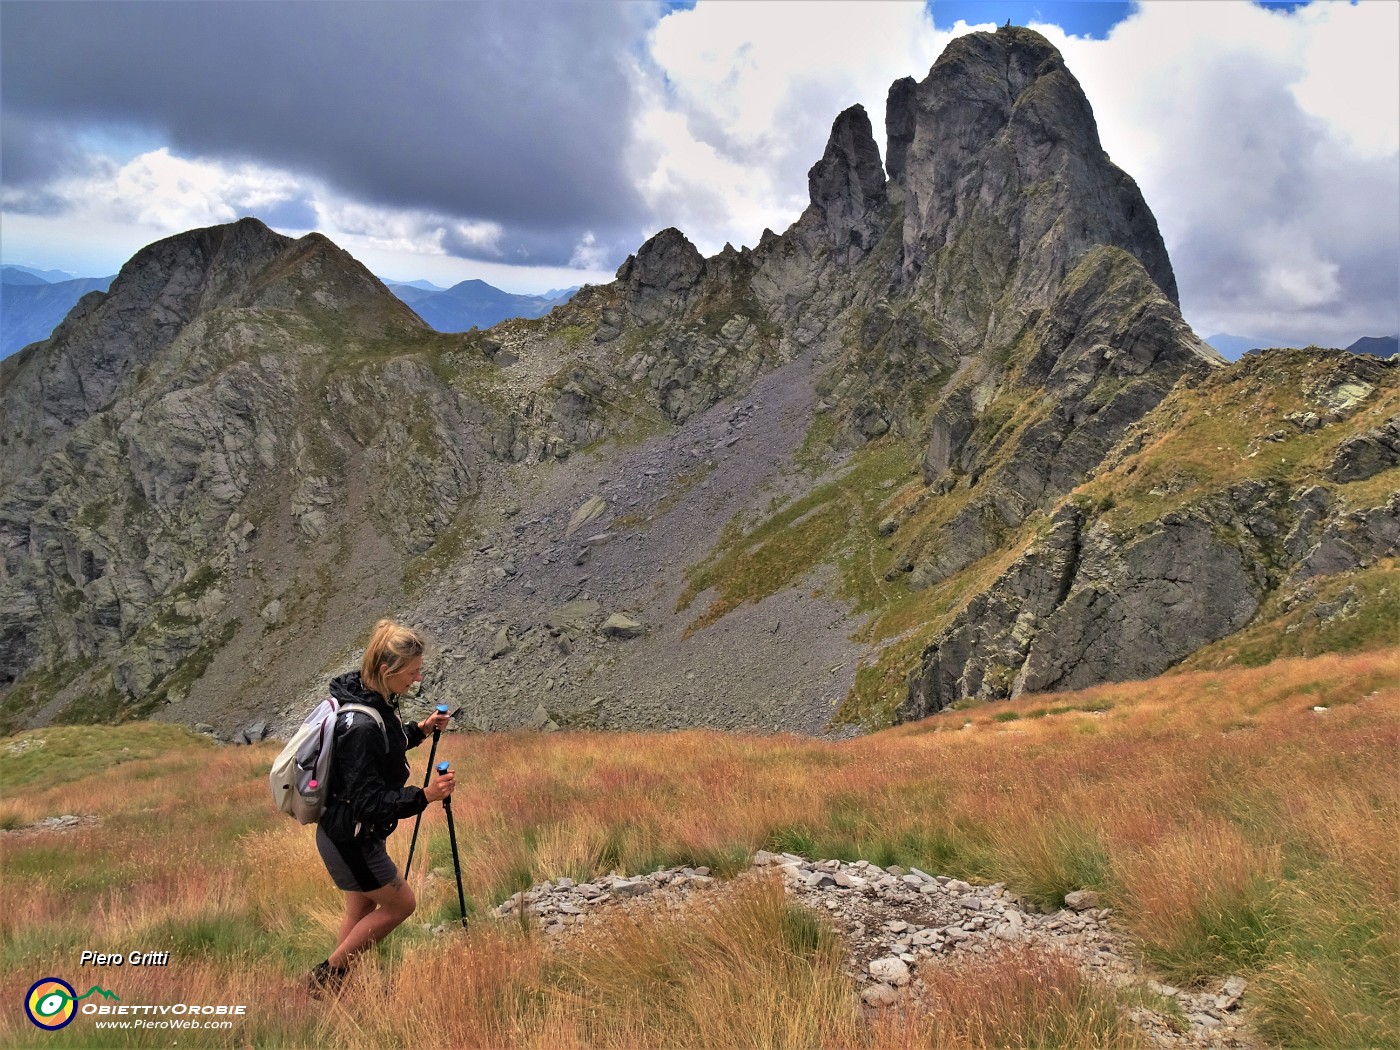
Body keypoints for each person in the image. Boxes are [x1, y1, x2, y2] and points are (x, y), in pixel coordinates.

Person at [307, 619, 454, 996]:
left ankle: (335, 988)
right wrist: (425, 795)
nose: (417, 678)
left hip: (349, 832)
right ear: (388, 671)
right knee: (401, 904)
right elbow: (369, 802)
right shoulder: (361, 725)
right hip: (352, 837)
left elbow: (385, 749)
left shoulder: (373, 699)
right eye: (413, 671)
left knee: (359, 911)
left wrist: (421, 728)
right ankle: (326, 976)